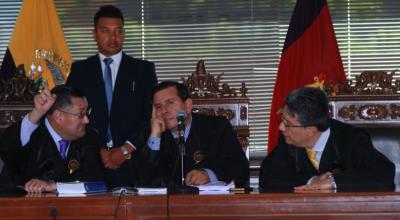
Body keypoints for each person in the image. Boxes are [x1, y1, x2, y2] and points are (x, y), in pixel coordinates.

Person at [66, 5, 157, 188]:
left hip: (133, 159)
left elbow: (151, 115)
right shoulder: (80, 70)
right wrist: (98, 149)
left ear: (123, 34)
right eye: (105, 31)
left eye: (118, 31)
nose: (113, 37)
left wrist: (126, 149)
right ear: (94, 34)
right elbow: (70, 114)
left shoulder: (143, 70)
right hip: (90, 159)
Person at [259, 87, 395, 192]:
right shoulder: (288, 139)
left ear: (310, 129)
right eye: (282, 120)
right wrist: (312, 181)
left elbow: (384, 174)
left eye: (287, 123)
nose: (281, 127)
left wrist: (333, 182)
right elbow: (268, 177)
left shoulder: (351, 139)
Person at [137, 81, 249, 188]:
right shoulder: (151, 135)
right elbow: (140, 180)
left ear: (188, 105)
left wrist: (209, 175)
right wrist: (154, 137)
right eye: (158, 107)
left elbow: (240, 168)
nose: (164, 111)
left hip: (209, 203)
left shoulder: (217, 127)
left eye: (170, 103)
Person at [0, 85, 104, 193]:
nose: (86, 120)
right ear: (59, 116)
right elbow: (7, 150)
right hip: (21, 206)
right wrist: (36, 113)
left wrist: (55, 186)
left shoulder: (90, 136)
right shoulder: (32, 135)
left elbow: (95, 180)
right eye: (81, 114)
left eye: (87, 112)